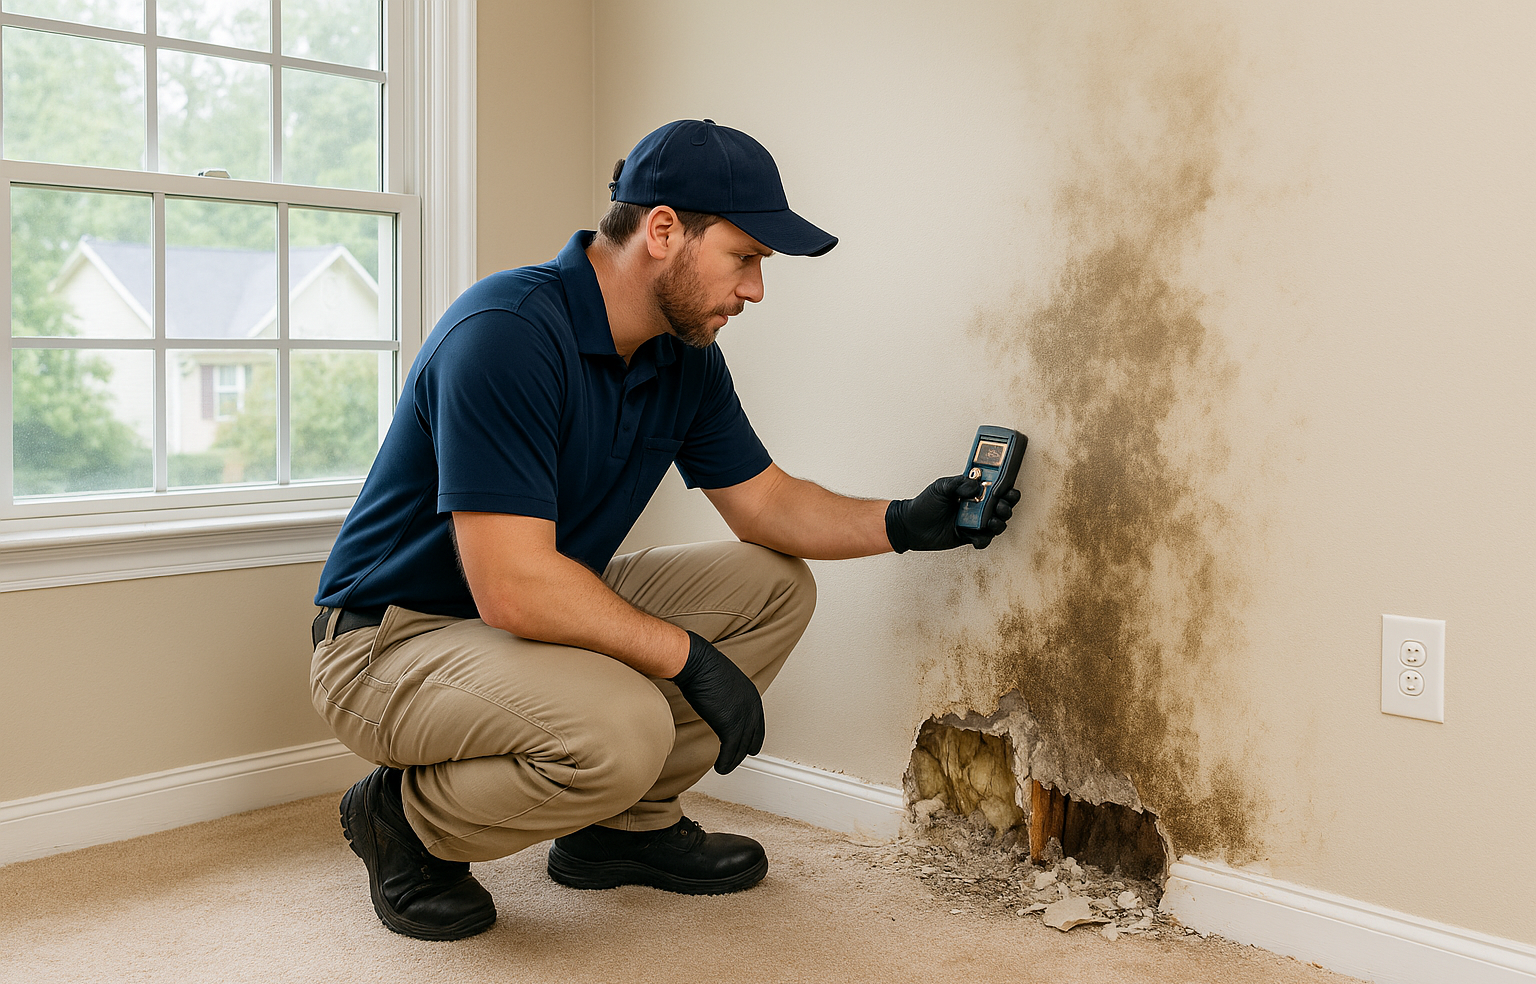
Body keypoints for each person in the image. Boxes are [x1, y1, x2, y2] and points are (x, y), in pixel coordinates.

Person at [308, 119, 1020, 941]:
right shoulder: (506, 334)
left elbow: (766, 505)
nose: (755, 290)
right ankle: (403, 819)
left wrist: (903, 523)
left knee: (771, 585)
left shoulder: (681, 357)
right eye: (745, 258)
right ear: (662, 231)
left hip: (518, 615)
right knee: (623, 728)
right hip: (389, 641)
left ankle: (621, 831)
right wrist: (689, 658)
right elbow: (509, 584)